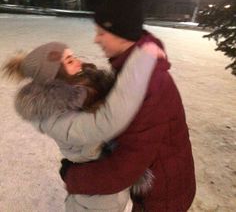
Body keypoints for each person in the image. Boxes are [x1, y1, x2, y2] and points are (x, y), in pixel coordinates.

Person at [60, 0, 196, 212]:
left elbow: (127, 166)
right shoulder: (135, 69)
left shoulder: (147, 83)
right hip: (158, 185)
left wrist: (74, 177)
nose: (96, 39)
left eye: (102, 32)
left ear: (121, 33)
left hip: (163, 195)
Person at [2, 40, 163, 212]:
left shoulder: (84, 89)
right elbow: (106, 122)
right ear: (54, 76)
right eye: (70, 61)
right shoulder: (54, 117)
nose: (79, 62)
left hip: (107, 180)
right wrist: (141, 62)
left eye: (74, 56)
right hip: (96, 196)